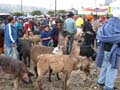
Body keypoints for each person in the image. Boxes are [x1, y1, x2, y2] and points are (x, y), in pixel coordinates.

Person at [96, 10, 120, 90]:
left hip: (105, 48)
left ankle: (101, 81)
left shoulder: (106, 23)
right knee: (112, 67)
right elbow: (117, 38)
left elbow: (100, 33)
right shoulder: (118, 24)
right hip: (114, 49)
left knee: (105, 64)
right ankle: (109, 87)